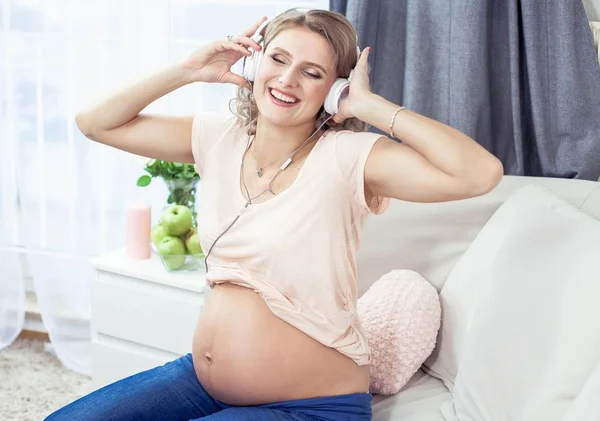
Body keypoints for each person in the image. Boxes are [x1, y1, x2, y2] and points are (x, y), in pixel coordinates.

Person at [46, 7, 503, 421]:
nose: (287, 81)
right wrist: (188, 71)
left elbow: (480, 173)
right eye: (279, 59)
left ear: (334, 89)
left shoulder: (349, 157)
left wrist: (370, 106)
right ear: (254, 60)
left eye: (312, 72)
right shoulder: (219, 137)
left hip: (311, 408)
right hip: (202, 384)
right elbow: (95, 122)